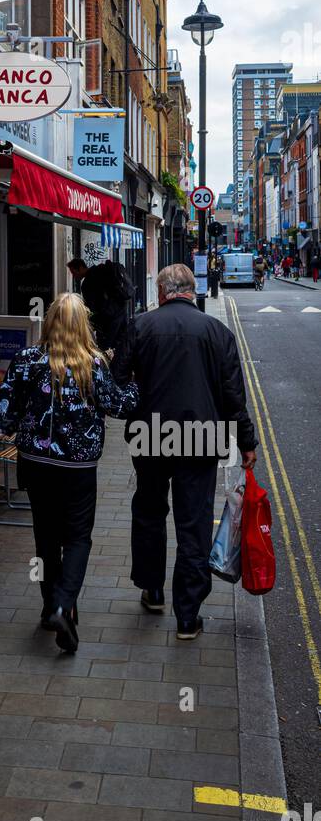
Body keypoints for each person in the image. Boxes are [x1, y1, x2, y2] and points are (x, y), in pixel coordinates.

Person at [112, 264, 257, 640]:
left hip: (151, 435)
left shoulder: (140, 326)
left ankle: (153, 590)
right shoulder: (217, 332)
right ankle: (188, 617)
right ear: (192, 291)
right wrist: (247, 443)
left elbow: (117, 381)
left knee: (149, 511)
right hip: (202, 437)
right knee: (193, 523)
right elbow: (233, 395)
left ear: (161, 292)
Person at [0, 293, 138, 654]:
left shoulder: (27, 360)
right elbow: (119, 406)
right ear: (82, 325)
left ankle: (50, 607)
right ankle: (62, 605)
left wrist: (17, 425)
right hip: (77, 468)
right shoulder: (94, 363)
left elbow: (4, 414)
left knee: (45, 537)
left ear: (50, 322)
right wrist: (137, 384)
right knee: (77, 538)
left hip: (35, 465)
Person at [67, 257, 134, 352]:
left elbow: (92, 309)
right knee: (120, 348)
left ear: (81, 268)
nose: (74, 276)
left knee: (104, 351)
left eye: (74, 272)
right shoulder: (102, 271)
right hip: (121, 314)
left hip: (107, 322)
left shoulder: (87, 283)